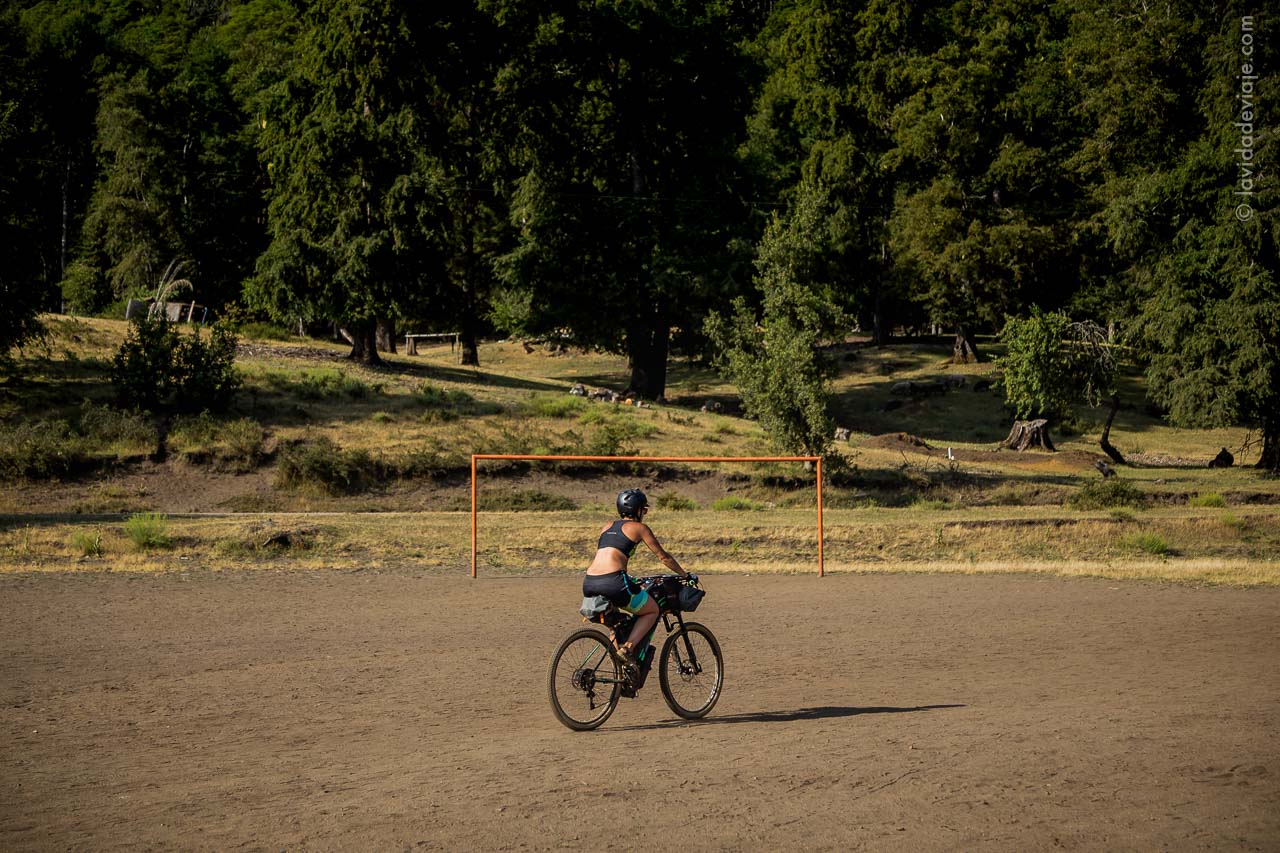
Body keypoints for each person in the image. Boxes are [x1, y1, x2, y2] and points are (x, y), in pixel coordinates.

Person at [583, 488, 690, 669]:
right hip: (614, 581)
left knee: (614, 623)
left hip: (590, 581)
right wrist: (685, 575)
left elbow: (609, 555)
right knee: (652, 610)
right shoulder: (639, 528)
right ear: (638, 510)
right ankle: (627, 649)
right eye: (644, 509)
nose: (645, 513)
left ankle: (620, 670)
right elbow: (664, 557)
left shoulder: (607, 526)